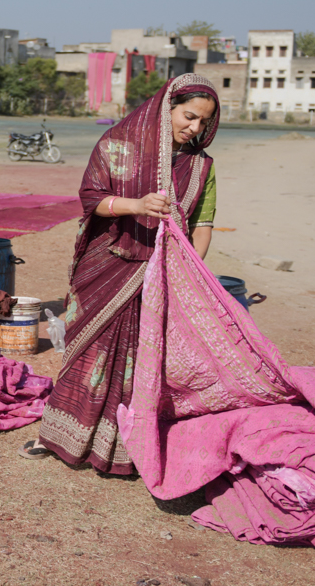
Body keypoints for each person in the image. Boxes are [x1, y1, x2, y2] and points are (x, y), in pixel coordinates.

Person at [24, 74, 219, 470]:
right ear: (166, 107)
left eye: (204, 122)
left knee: (140, 360)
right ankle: (62, 436)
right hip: (107, 264)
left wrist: (190, 273)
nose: (194, 128)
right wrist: (137, 205)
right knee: (88, 352)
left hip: (159, 274)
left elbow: (203, 224)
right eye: (189, 116)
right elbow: (90, 199)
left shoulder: (200, 167)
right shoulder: (117, 146)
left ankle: (123, 449)